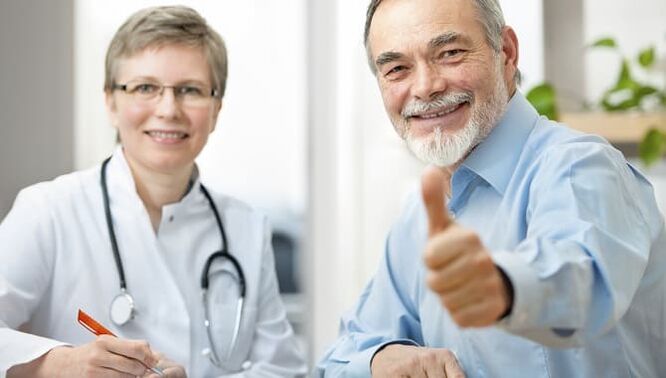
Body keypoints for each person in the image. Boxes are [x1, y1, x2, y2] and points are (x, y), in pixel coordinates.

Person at [316, 0, 666, 376]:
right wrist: (381, 359)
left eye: (450, 53)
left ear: (507, 53)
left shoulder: (580, 168)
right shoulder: (418, 218)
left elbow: (579, 281)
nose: (425, 87)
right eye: (397, 69)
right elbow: (339, 358)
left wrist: (502, 287)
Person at [0, 6, 306, 377]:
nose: (168, 109)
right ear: (111, 102)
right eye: (145, 87)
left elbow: (283, 369)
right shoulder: (48, 211)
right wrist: (56, 364)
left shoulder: (246, 227)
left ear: (216, 109)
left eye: (190, 90)